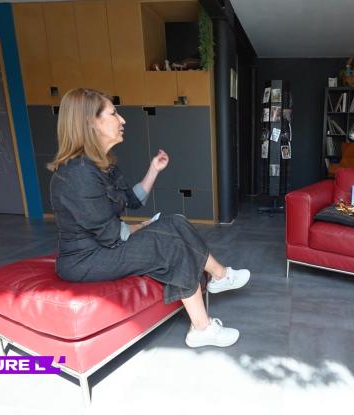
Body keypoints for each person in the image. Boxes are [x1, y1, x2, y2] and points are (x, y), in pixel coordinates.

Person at [48, 88, 250, 348]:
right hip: (86, 260)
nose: (122, 120)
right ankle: (201, 327)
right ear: (91, 122)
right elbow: (113, 236)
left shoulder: (99, 165)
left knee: (175, 221)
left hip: (103, 246)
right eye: (114, 113)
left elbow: (131, 200)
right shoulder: (78, 174)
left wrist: (154, 169)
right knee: (169, 242)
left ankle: (220, 277)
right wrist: (144, 225)